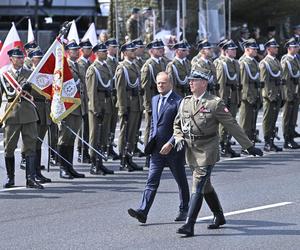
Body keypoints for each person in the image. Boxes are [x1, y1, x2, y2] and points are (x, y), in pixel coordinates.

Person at [173, 70, 263, 237]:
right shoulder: (185, 102)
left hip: (208, 149)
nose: (190, 83)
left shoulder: (214, 103)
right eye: (190, 80)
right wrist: (178, 138)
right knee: (205, 185)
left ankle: (189, 224)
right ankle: (219, 215)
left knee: (198, 185)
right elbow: (177, 124)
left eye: (195, 80)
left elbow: (232, 125)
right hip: (192, 149)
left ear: (204, 83)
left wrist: (248, 146)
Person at [127, 72, 190, 223]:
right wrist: (150, 141)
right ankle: (143, 211)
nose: (160, 85)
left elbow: (182, 126)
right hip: (157, 150)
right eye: (158, 83)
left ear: (171, 84)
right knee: (151, 180)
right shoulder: (155, 99)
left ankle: (184, 209)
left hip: (173, 150)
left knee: (181, 180)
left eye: (163, 83)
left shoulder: (178, 102)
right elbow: (154, 123)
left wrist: (171, 143)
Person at [1, 48, 43, 189]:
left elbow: (40, 91)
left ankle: (30, 179)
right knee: (9, 147)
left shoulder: (30, 74)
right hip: (12, 114)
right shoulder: (5, 76)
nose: (20, 60)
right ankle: (10, 178)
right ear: (11, 59)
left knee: (30, 145)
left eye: (21, 57)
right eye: (17, 58)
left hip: (29, 113)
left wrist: (30, 88)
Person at [57, 40, 85, 179]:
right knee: (64, 138)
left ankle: (69, 166)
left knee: (72, 138)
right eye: (73, 50)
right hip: (67, 107)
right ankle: (63, 168)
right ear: (67, 52)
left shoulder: (79, 65)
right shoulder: (63, 66)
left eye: (77, 49)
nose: (76, 52)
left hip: (78, 106)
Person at [85, 42, 115, 175]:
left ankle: (100, 162)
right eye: (103, 51)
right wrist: (96, 109)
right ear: (96, 53)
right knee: (95, 135)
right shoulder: (93, 69)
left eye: (105, 51)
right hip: (97, 105)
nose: (106, 53)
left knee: (104, 134)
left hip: (107, 103)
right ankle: (94, 164)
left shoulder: (106, 67)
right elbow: (91, 92)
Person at [115, 41, 143, 171]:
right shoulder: (123, 68)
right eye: (131, 51)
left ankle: (129, 157)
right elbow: (120, 90)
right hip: (128, 105)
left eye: (134, 50)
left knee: (132, 133)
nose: (134, 52)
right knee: (125, 132)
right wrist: (122, 108)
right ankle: (123, 159)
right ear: (125, 53)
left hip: (136, 104)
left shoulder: (135, 66)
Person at [216, 40, 241, 157]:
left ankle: (227, 144)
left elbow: (238, 82)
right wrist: (222, 99)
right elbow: (221, 83)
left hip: (234, 96)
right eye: (232, 49)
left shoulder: (236, 63)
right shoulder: (222, 64)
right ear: (226, 51)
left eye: (235, 49)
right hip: (226, 96)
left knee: (232, 121)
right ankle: (222, 145)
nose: (235, 51)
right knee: (224, 122)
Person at [259, 38, 283, 152]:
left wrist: (280, 94)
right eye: (274, 47)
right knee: (268, 119)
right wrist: (270, 95)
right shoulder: (264, 63)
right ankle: (267, 141)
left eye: (277, 47)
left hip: (277, 93)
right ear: (268, 49)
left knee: (274, 118)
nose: (277, 49)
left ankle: (272, 140)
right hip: (270, 95)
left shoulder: (276, 61)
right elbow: (264, 82)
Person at [239, 39, 263, 146]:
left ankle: (251, 141)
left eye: (256, 49)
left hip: (255, 94)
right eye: (253, 49)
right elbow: (244, 82)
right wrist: (248, 96)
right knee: (246, 122)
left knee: (252, 120)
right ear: (247, 49)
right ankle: (245, 145)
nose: (256, 51)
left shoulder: (253, 61)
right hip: (248, 96)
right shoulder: (244, 62)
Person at [280, 37, 300, 149]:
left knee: (293, 116)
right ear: (289, 48)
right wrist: (288, 94)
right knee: (287, 117)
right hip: (290, 92)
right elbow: (285, 79)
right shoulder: (286, 60)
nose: (297, 48)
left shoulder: (295, 59)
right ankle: (287, 139)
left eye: (297, 46)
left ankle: (291, 136)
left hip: (296, 92)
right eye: (295, 47)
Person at [77, 39, 93, 163]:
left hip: (88, 99)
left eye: (90, 48)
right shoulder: (81, 64)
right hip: (83, 100)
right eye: (87, 48)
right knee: (83, 128)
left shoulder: (89, 63)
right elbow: (85, 81)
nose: (90, 50)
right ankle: (81, 152)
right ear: (81, 50)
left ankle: (85, 150)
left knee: (87, 127)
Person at [105, 38, 120, 160]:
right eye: (113, 47)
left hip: (115, 95)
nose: (115, 49)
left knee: (113, 123)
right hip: (109, 95)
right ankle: (106, 148)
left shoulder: (116, 61)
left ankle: (110, 147)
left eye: (116, 47)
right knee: (107, 123)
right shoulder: (106, 62)